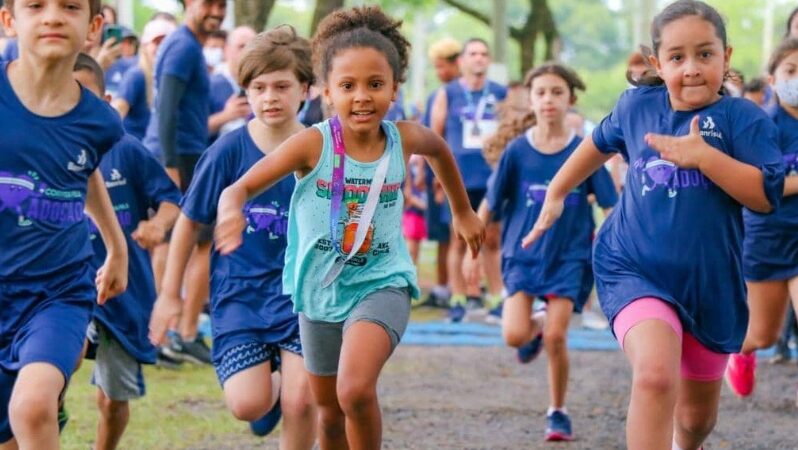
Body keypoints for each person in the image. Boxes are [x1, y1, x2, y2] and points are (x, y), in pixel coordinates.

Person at [213, 6, 484, 448]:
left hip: (382, 283)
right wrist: (230, 210)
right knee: (329, 413)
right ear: (325, 91)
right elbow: (237, 189)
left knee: (354, 390)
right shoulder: (312, 144)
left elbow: (438, 149)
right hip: (319, 292)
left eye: (375, 84)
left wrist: (463, 211)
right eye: (348, 86)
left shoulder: (404, 138)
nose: (362, 96)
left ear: (394, 88)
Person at [523, 2, 783, 449]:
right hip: (633, 267)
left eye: (705, 54)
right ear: (657, 64)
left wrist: (705, 157)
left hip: (710, 284)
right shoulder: (636, 106)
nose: (693, 68)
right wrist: (558, 190)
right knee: (656, 375)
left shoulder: (744, 120)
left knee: (697, 419)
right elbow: (596, 144)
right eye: (677, 57)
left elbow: (762, 195)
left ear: (727, 56)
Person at [149, 25, 318, 444]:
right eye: (258, 88)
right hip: (239, 295)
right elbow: (188, 221)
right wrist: (171, 294)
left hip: (304, 296)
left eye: (282, 86)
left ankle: (289, 395)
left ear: (306, 89)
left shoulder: (323, 149)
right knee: (247, 404)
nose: (270, 98)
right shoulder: (227, 151)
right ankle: (270, 393)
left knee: (304, 402)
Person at [0, 1, 128, 448]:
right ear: (9, 21)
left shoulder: (100, 121)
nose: (52, 16)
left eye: (69, 7)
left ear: (92, 27)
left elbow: (84, 172)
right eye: (36, 5)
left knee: (31, 408)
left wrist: (117, 247)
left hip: (58, 291)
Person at [477, 63, 616, 441]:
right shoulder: (517, 152)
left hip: (569, 256)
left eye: (557, 92)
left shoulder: (585, 151)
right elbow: (491, 201)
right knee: (513, 335)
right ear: (531, 99)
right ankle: (533, 329)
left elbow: (609, 204)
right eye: (541, 92)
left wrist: (622, 238)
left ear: (570, 99)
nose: (548, 100)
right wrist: (473, 230)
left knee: (558, 336)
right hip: (521, 253)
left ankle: (557, 411)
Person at [72, 53, 181, 450]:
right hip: (68, 283)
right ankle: (48, 408)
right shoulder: (42, 151)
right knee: (57, 359)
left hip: (124, 290)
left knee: (111, 399)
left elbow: (171, 201)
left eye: (86, 96)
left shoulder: (127, 149)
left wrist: (157, 224)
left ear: (105, 101)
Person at [143, 0, 228, 366]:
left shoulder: (187, 45)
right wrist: (171, 164)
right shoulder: (182, 46)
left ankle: (169, 335)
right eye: (208, 3)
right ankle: (179, 333)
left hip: (182, 153)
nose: (216, 11)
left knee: (176, 243)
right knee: (197, 244)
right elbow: (166, 108)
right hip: (180, 155)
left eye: (222, 5)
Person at [725, 38, 798, 397]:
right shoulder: (761, 124)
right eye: (791, 71)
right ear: (772, 81)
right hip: (766, 236)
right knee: (763, 334)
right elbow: (759, 185)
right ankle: (740, 353)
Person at [430, 37, 506, 322]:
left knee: (492, 240)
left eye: (484, 54)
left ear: (488, 61)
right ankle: (458, 299)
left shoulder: (499, 93)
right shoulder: (447, 93)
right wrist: (437, 180)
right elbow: (434, 137)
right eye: (472, 53)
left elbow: (509, 134)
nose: (478, 58)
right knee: (456, 240)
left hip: (491, 178)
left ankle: (496, 298)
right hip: (456, 179)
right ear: (462, 61)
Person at [414, 37, 461, 309]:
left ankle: (461, 288)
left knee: (454, 233)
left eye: (442, 66)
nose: (439, 72)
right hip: (434, 174)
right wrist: (422, 171)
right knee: (440, 234)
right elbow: (427, 136)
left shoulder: (458, 94)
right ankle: (443, 287)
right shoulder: (437, 96)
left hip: (451, 173)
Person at [112, 17, 177, 140]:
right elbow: (116, 112)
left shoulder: (171, 79)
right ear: (145, 46)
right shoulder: (137, 75)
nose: (161, 47)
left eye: (166, 42)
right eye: (156, 42)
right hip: (136, 150)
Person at [207, 26, 256, 143]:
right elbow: (193, 130)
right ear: (226, 50)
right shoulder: (211, 84)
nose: (247, 52)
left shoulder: (265, 85)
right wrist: (226, 116)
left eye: (252, 47)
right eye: (241, 46)